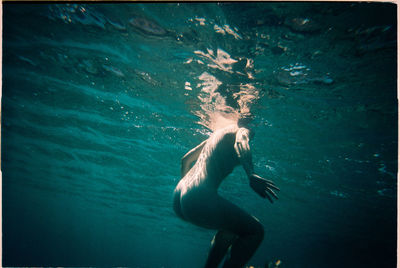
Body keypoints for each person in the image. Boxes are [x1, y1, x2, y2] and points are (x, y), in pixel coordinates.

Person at [173, 119, 279, 268]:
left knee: (231, 229)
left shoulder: (215, 134)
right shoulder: (243, 129)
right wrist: (251, 175)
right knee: (256, 231)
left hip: (179, 195)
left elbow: (185, 161)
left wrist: (187, 197)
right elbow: (240, 143)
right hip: (197, 196)